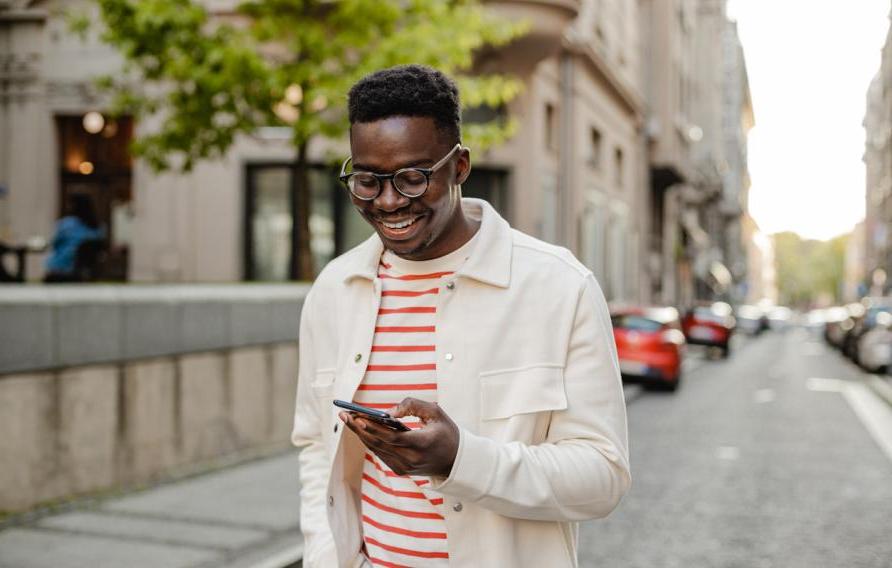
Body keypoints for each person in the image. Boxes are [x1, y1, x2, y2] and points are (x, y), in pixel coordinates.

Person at [292, 64, 630, 567]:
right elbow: (316, 447)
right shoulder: (334, 290)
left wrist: (460, 459)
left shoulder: (560, 286)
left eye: (412, 178)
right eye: (367, 181)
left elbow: (602, 479)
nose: (388, 202)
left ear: (461, 166)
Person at [44, 194, 104, 282]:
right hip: (86, 271)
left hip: (61, 269)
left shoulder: (66, 224)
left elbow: (55, 243)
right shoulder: (97, 227)